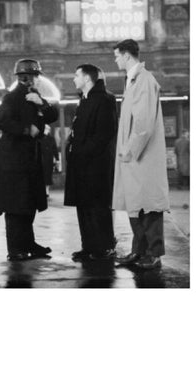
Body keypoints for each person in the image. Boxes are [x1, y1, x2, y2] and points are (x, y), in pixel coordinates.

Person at [0, 58, 59, 261]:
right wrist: (25, 130)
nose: (38, 80)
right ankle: (16, 249)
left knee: (28, 205)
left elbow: (52, 115)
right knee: (15, 207)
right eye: (37, 76)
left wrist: (42, 103)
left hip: (29, 160)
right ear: (29, 78)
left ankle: (28, 243)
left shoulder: (34, 96)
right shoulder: (12, 98)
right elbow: (2, 121)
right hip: (14, 162)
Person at [112, 39, 170, 270]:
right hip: (134, 158)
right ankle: (139, 251)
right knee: (137, 204)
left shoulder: (144, 80)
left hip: (141, 157)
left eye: (117, 55)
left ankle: (153, 254)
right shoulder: (134, 80)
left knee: (149, 205)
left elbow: (143, 123)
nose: (115, 60)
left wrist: (130, 150)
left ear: (127, 56)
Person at [64, 64, 118, 261]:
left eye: (77, 75)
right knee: (84, 207)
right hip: (81, 164)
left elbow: (104, 133)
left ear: (87, 78)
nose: (74, 79)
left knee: (98, 207)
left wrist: (82, 152)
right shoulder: (84, 99)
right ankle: (88, 246)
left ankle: (104, 247)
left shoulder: (105, 99)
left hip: (96, 165)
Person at [40, 125, 58, 197]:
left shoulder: (51, 138)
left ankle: (47, 191)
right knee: (42, 175)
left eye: (48, 129)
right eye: (45, 129)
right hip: (42, 159)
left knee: (48, 176)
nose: (47, 130)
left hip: (49, 160)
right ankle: (43, 191)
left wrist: (57, 159)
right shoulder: (40, 138)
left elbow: (54, 148)